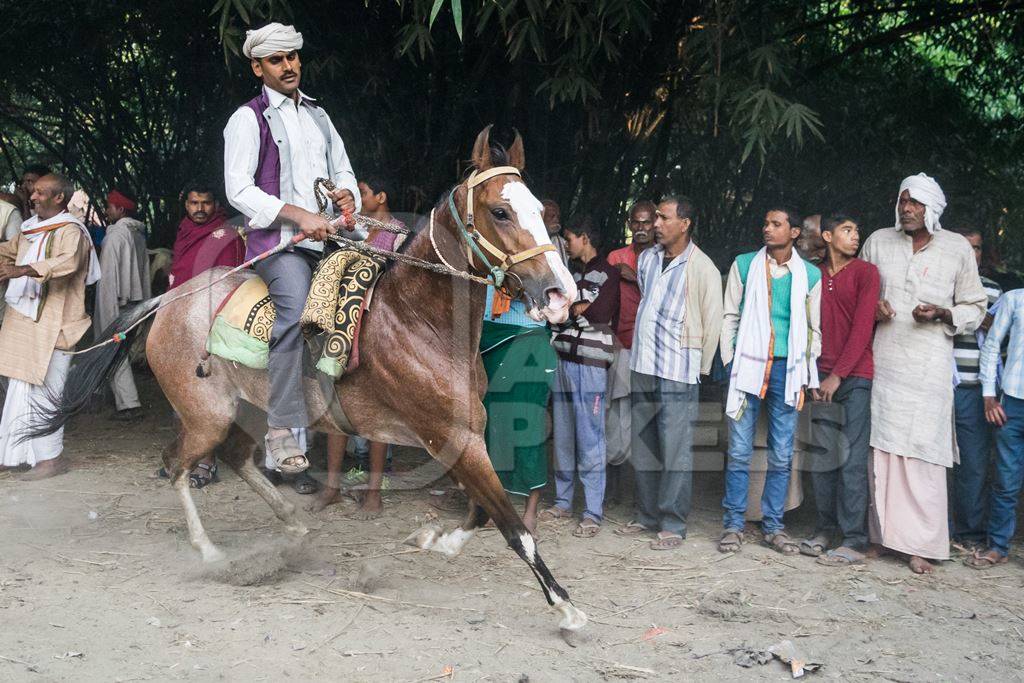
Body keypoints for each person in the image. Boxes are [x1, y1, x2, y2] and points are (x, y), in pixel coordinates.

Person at [223, 22, 361, 493]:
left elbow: (342, 167)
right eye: (278, 60)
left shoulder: (319, 115)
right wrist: (297, 215)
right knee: (296, 311)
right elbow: (238, 188)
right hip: (279, 246)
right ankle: (281, 428)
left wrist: (347, 199)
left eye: (293, 57)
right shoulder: (248, 118)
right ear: (258, 66)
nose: (289, 66)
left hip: (331, 240)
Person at [861, 173, 986, 574]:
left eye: (915, 203)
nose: (907, 209)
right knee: (881, 449)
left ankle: (920, 545)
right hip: (886, 361)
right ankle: (881, 538)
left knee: (925, 454)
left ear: (932, 208)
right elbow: (857, 291)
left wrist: (943, 312)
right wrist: (874, 307)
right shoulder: (879, 241)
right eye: (902, 201)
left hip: (930, 367)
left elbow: (976, 305)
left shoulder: (956, 249)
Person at [616, 195, 722, 550]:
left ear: (685, 223)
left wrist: (702, 370)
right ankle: (646, 515)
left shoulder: (702, 266)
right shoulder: (647, 260)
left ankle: (673, 524)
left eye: (663, 217)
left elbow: (713, 322)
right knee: (644, 443)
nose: (656, 224)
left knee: (675, 449)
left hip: (679, 368)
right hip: (644, 363)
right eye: (656, 217)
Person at [719, 206, 821, 555]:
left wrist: (807, 371)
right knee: (738, 449)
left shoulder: (809, 275)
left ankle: (774, 526)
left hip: (788, 370)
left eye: (776, 224)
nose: (767, 229)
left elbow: (813, 330)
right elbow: (729, 316)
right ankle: (733, 524)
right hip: (748, 366)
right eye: (765, 223)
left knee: (781, 453)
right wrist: (731, 361)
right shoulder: (745, 264)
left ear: (794, 232)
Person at [312, 175, 406, 514]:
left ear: (381, 195)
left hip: (380, 331)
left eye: (364, 192)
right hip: (347, 325)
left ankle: (374, 493)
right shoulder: (353, 225)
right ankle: (332, 487)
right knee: (338, 407)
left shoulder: (398, 233)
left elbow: (397, 283)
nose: (358, 197)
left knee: (379, 413)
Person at [0, 174, 100, 479]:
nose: (32, 197)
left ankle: (51, 459)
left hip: (57, 323)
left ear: (59, 198)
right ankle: (16, 453)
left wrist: (21, 270)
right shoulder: (31, 229)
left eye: (41, 193)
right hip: (28, 322)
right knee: (21, 387)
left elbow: (67, 262)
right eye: (33, 192)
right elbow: (8, 250)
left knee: (48, 391)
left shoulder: (72, 231)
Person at [801, 214, 880, 566]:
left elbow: (863, 328)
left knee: (850, 459)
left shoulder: (867, 273)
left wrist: (838, 375)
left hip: (855, 378)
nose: (855, 236)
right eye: (848, 230)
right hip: (819, 379)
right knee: (822, 457)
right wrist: (813, 376)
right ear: (828, 236)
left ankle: (854, 539)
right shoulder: (811, 274)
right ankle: (824, 529)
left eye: (857, 230)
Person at [542, 216, 620, 537]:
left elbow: (601, 314)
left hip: (591, 363)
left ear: (584, 238)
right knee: (563, 433)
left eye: (571, 238)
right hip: (563, 358)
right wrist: (577, 307)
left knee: (590, 436)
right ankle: (562, 502)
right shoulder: (568, 272)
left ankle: (592, 511)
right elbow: (554, 315)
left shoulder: (609, 273)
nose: (567, 243)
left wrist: (570, 308)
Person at [949, 226, 1002, 551]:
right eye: (966, 247)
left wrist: (984, 320)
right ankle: (935, 530)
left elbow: (1005, 339)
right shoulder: (941, 284)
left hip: (975, 390)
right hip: (938, 384)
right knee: (933, 462)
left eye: (978, 248)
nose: (973, 254)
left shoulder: (994, 290)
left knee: (973, 463)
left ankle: (968, 534)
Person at [604, 200, 655, 487]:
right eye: (636, 222)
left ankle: (642, 487)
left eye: (646, 222)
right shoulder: (615, 257)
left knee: (645, 415)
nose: (641, 228)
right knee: (617, 413)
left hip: (651, 349)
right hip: (620, 344)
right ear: (629, 224)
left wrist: (633, 279)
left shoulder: (662, 258)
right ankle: (615, 484)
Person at [973, 288, 1024, 568]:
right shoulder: (1015, 299)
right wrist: (988, 394)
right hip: (1013, 401)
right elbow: (992, 344)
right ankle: (998, 546)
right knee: (1006, 480)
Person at [95, 189, 150, 423]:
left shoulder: (116, 235)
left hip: (115, 301)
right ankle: (104, 394)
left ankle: (128, 403)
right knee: (121, 348)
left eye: (109, 207)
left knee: (112, 346)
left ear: (120, 209)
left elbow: (108, 277)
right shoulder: (137, 233)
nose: (107, 211)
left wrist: (105, 310)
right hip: (134, 302)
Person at [168, 182, 245, 290]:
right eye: (194, 203)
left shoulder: (227, 236)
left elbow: (229, 281)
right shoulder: (184, 230)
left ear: (216, 205)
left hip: (211, 301)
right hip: (178, 298)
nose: (200, 209)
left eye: (206, 203)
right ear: (186, 205)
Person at [541, 199, 569, 266]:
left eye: (558, 216)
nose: (556, 220)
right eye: (552, 216)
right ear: (541, 217)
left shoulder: (564, 244)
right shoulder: (529, 239)